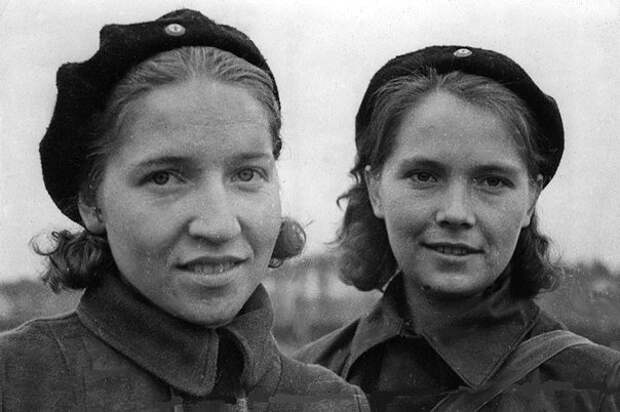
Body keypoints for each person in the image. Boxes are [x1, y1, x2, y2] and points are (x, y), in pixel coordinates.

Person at [0, 9, 370, 412]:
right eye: (164, 178)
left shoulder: (331, 402)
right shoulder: (17, 382)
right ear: (92, 201)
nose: (219, 226)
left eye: (246, 174)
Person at [295, 45, 620, 411]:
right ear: (375, 190)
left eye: (492, 181)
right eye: (424, 176)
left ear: (530, 200)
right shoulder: (303, 385)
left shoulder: (599, 391)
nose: (456, 213)